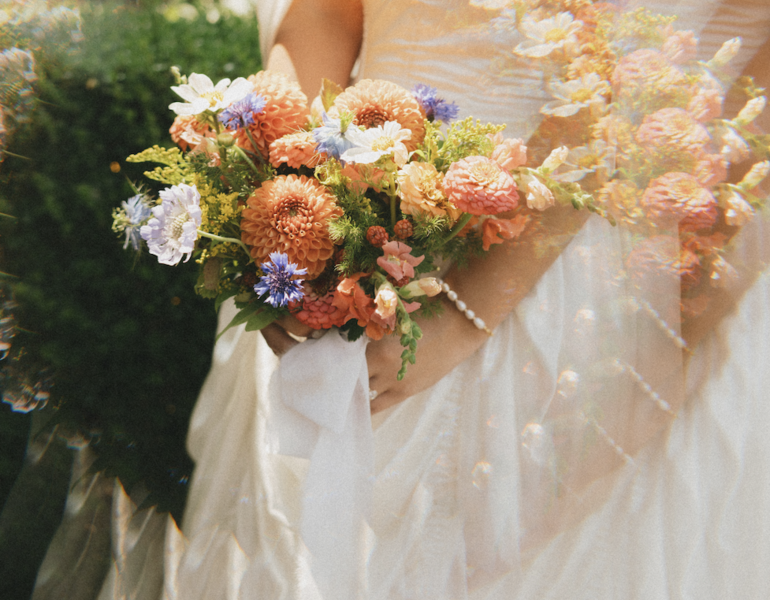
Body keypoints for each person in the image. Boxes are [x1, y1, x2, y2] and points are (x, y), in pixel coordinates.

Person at [34, 0, 770, 598]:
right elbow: (324, 13)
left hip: (575, 270)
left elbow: (638, 87)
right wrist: (290, 185)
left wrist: (463, 314)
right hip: (351, 211)